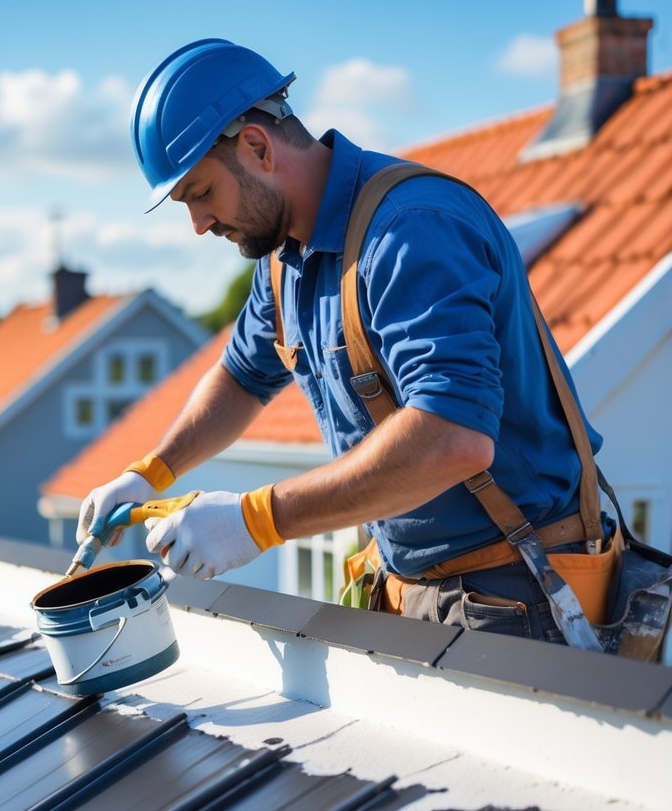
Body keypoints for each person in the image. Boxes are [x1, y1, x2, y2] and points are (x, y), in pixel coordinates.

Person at [78, 38, 611, 644]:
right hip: (421, 589)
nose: (198, 224)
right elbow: (241, 377)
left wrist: (257, 520)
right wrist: (152, 472)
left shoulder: (409, 231)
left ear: (257, 147)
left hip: (519, 593)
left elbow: (455, 438)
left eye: (200, 193)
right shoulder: (285, 258)